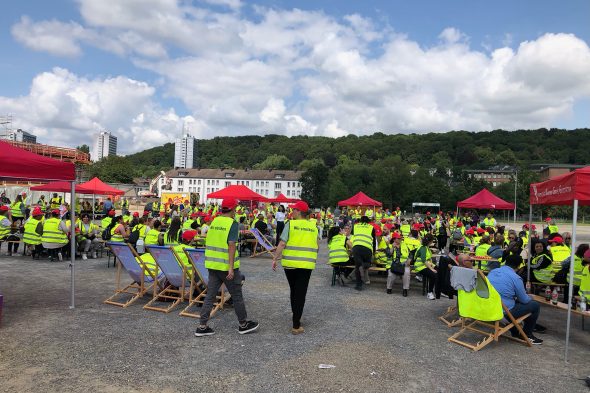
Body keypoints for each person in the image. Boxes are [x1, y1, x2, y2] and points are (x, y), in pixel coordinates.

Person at [195, 198, 258, 337]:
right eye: (235, 208)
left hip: (213, 265)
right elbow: (231, 246)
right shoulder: (232, 224)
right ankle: (243, 324)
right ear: (232, 209)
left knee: (210, 296)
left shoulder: (215, 221)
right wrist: (230, 268)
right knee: (236, 295)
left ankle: (202, 326)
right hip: (226, 267)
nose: (236, 211)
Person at [272, 201, 318, 334]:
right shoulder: (313, 227)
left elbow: (282, 243)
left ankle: (295, 316)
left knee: (294, 290)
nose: (291, 212)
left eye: (294, 210)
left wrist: (275, 258)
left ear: (299, 211)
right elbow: (317, 245)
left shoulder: (290, 224)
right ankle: (296, 324)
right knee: (300, 292)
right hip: (306, 265)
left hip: (290, 264)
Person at [488, 254, 544, 344]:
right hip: (503, 311)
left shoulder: (493, 271)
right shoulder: (516, 278)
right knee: (534, 305)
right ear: (518, 266)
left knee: (513, 301)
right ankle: (527, 334)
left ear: (506, 262)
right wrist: (530, 297)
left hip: (490, 307)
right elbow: (524, 300)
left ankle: (515, 330)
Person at [351, 215, 375, 291]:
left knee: (357, 266)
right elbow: (374, 241)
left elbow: (352, 236)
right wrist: (373, 251)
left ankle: (359, 285)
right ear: (368, 221)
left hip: (357, 247)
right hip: (367, 248)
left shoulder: (355, 226)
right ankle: (363, 265)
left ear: (360, 220)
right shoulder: (371, 227)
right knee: (368, 263)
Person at [412, 234, 438, 300]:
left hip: (425, 266)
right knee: (433, 275)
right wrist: (432, 269)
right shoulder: (423, 248)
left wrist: (433, 266)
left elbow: (428, 259)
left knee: (440, 270)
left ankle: (440, 289)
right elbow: (424, 260)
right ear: (431, 241)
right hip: (420, 267)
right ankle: (430, 293)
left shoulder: (426, 247)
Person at [386, 232, 410, 297]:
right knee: (391, 275)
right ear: (394, 239)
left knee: (406, 273)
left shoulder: (405, 245)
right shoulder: (390, 246)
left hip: (403, 264)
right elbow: (388, 255)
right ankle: (389, 288)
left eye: (400, 238)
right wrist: (392, 248)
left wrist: (409, 259)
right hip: (393, 265)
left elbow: (410, 254)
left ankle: (405, 289)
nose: (400, 239)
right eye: (398, 238)